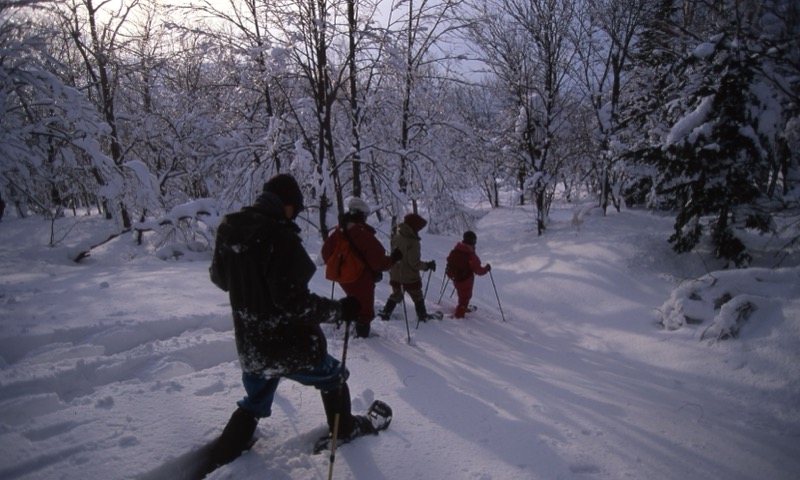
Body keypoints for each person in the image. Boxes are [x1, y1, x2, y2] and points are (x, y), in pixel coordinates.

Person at [207, 174, 376, 473]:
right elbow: (296, 305)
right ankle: (345, 429)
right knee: (335, 376)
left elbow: (220, 279)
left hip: (252, 345)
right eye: (295, 208)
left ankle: (222, 457)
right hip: (290, 346)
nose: (295, 214)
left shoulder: (230, 228)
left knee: (255, 400)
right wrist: (340, 310)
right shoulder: (279, 238)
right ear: (286, 205)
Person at [321, 197, 401, 338]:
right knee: (365, 311)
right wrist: (394, 258)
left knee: (354, 304)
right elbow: (379, 261)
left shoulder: (339, 230)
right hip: (360, 279)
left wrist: (342, 266)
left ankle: (354, 326)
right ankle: (363, 340)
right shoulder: (362, 234)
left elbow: (325, 252)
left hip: (342, 278)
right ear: (362, 215)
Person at [377, 213, 441, 322]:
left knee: (396, 294)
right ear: (414, 227)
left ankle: (386, 313)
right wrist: (427, 266)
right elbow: (414, 263)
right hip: (410, 276)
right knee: (417, 296)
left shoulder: (397, 235)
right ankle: (422, 316)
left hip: (396, 272)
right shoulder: (413, 241)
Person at [448, 231, 491, 318]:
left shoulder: (457, 249)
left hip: (456, 279)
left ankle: (462, 307)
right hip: (465, 281)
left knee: (462, 295)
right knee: (465, 298)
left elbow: (449, 260)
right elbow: (478, 270)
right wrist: (486, 268)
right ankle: (459, 315)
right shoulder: (470, 255)